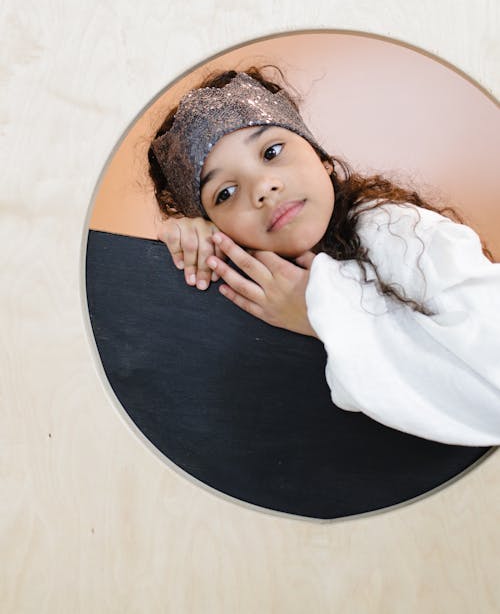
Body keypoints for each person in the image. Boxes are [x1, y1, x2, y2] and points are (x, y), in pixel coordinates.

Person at [148, 67, 500, 447]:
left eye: (272, 152)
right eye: (225, 193)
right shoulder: (246, 284)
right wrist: (191, 241)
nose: (263, 188)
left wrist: (323, 309)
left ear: (321, 158)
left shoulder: (402, 231)